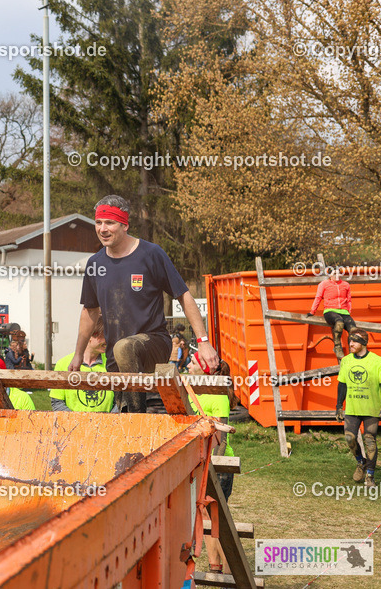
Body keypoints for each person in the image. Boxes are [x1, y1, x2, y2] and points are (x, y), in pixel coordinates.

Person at [73, 195, 217, 413]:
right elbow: (90, 311)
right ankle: (133, 420)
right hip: (117, 359)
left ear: (124, 225)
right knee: (121, 413)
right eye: (98, 223)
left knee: (125, 348)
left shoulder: (150, 254)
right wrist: (78, 354)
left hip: (153, 344)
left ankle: (137, 418)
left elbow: (183, 295)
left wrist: (204, 341)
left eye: (109, 223)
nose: (102, 229)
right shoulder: (95, 264)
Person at [185, 352, 235, 575]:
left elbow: (221, 441)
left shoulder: (218, 397)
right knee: (204, 516)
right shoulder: (191, 391)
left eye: (193, 362)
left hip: (216, 464)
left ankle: (232, 569)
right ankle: (215, 566)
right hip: (199, 461)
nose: (188, 364)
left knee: (217, 518)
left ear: (205, 370)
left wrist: (213, 467)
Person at [335, 330, 381, 487]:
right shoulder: (346, 361)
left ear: (364, 343)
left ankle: (370, 476)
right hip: (352, 408)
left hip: (371, 408)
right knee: (350, 438)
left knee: (370, 441)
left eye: (355, 341)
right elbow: (342, 384)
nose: (350, 344)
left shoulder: (378, 361)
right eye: (350, 341)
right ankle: (361, 462)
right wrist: (339, 405)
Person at [51, 320, 109, 412]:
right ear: (89, 336)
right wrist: (78, 422)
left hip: (106, 424)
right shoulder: (63, 364)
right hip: (73, 425)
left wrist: (108, 420)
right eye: (104, 335)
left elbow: (120, 400)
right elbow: (57, 402)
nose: (108, 339)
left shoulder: (112, 363)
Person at [310, 268, 359, 359]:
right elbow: (318, 297)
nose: (337, 275)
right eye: (334, 273)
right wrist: (312, 311)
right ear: (329, 275)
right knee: (339, 323)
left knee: (353, 329)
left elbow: (349, 300)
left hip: (344, 312)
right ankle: (337, 347)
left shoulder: (346, 285)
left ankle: (352, 351)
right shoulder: (324, 284)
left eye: (338, 273)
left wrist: (349, 312)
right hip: (330, 311)